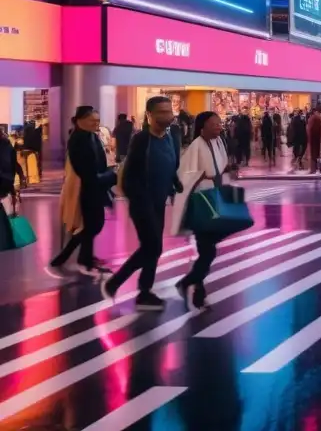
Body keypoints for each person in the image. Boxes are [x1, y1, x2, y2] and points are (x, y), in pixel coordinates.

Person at [102, 96, 181, 311]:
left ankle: (142, 292)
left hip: (159, 201)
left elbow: (172, 164)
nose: (167, 116)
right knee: (153, 246)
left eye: (169, 111)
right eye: (162, 112)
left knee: (153, 248)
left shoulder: (171, 136)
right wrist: (138, 198)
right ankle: (122, 284)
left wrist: (176, 185)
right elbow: (128, 176)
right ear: (149, 115)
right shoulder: (141, 140)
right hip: (142, 202)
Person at [172, 111, 231, 310]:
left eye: (219, 123)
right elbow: (183, 176)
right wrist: (202, 176)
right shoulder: (195, 147)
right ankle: (192, 286)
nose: (219, 127)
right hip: (201, 201)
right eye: (214, 124)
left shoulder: (218, 142)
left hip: (216, 199)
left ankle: (194, 287)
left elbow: (221, 167)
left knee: (208, 249)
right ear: (202, 127)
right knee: (208, 250)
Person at [51, 106, 115, 276]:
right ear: (80, 120)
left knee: (93, 224)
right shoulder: (78, 140)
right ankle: (79, 258)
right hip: (86, 188)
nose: (96, 124)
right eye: (92, 121)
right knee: (92, 225)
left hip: (95, 185)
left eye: (98, 121)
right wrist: (112, 177)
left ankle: (79, 257)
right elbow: (86, 171)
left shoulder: (91, 136)